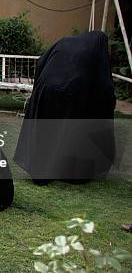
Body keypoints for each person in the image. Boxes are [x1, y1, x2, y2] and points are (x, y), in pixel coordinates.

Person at [14, 31, 115, 185]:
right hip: (70, 94)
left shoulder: (65, 41)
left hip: (46, 89)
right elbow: (104, 84)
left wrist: (39, 88)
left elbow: (41, 61)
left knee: (44, 131)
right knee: (62, 134)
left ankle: (39, 171)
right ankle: (61, 170)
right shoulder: (96, 51)